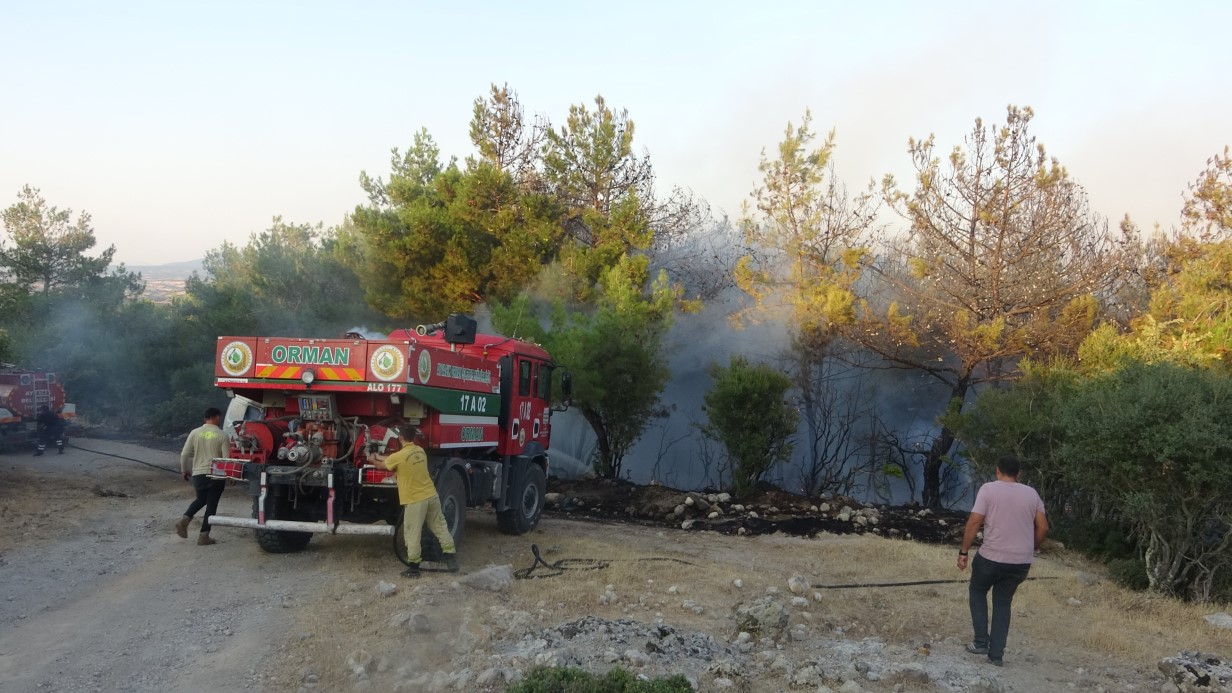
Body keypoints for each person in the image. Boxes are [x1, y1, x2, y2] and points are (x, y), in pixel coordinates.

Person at [957, 455, 1049, 666]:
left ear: (997, 471)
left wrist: (964, 551)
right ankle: (996, 656)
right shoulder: (1032, 493)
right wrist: (1030, 547)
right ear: (1019, 474)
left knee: (977, 590)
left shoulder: (989, 489)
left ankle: (981, 642)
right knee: (1003, 603)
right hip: (1020, 563)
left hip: (991, 557)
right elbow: (1043, 527)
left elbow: (974, 522)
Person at [371, 424, 458, 578]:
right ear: (413, 437)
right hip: (431, 496)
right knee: (440, 526)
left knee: (412, 532)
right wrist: (379, 456)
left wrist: (372, 459)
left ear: (400, 438)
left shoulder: (399, 457)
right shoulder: (420, 451)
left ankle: (414, 568)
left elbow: (384, 465)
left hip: (415, 500)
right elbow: (395, 459)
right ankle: (450, 558)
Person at [174, 407, 230, 546]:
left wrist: (184, 470)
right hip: (216, 475)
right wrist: (230, 476)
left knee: (201, 499)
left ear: (205, 418)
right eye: (219, 417)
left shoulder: (195, 432)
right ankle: (203, 536)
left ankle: (185, 519)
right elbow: (226, 459)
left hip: (198, 473)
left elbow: (184, 454)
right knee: (211, 505)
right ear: (216, 417)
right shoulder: (222, 435)